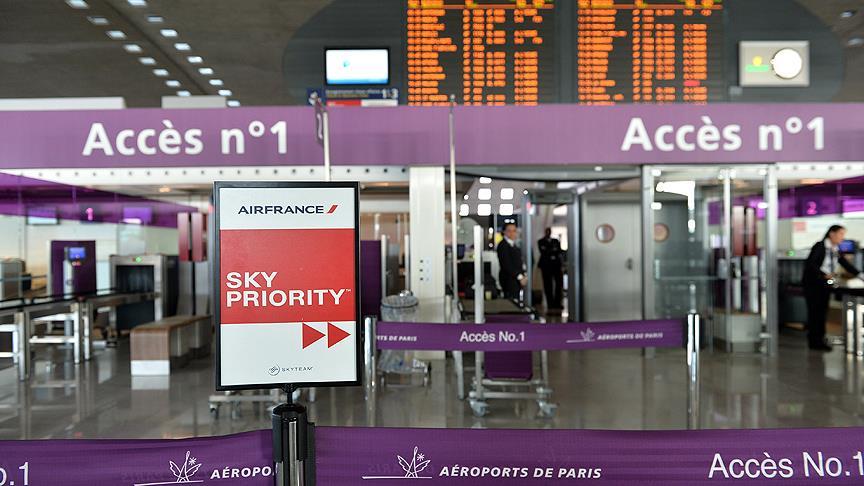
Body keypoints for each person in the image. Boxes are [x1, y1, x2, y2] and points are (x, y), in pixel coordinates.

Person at [802, 225, 863, 351]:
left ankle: (820, 339)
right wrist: (824, 275)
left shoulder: (834, 249)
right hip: (814, 285)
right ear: (832, 233)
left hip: (824, 285)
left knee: (822, 312)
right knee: (815, 313)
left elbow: (845, 264)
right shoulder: (820, 246)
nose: (842, 237)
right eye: (841, 234)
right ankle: (815, 341)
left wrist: (860, 275)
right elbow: (811, 264)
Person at [497, 222, 526, 300]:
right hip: (508, 279)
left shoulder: (513, 244)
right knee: (511, 302)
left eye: (514, 231)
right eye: (509, 231)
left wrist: (523, 275)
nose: (512, 233)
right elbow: (506, 265)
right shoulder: (503, 245)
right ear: (504, 232)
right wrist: (520, 277)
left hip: (516, 279)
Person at [537, 228, 563, 311]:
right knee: (547, 285)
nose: (548, 233)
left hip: (556, 265)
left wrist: (549, 250)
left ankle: (557, 303)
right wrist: (552, 250)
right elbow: (543, 252)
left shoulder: (555, 241)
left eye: (549, 231)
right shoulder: (541, 241)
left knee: (559, 284)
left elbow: (558, 250)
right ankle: (550, 303)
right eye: (547, 231)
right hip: (546, 266)